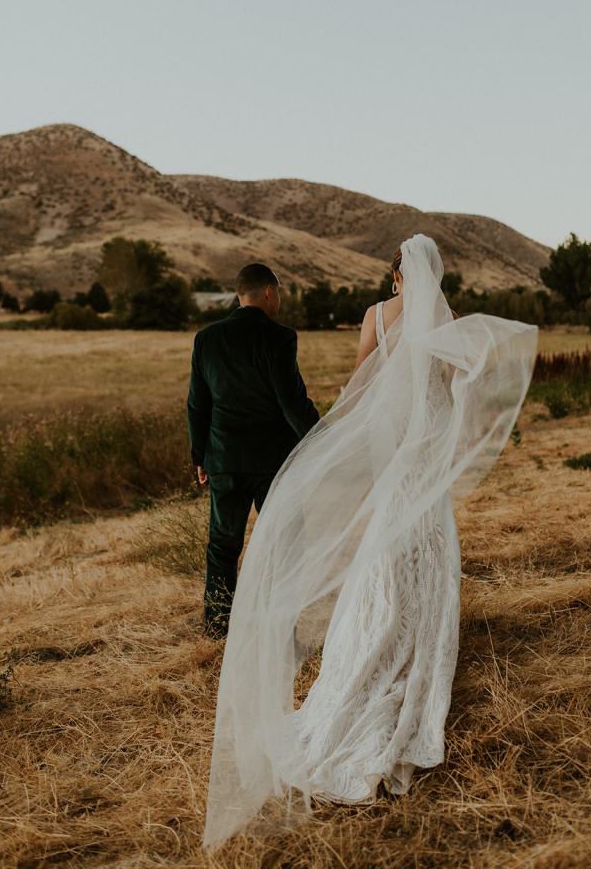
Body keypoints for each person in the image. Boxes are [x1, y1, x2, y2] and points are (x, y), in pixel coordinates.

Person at [202, 234, 538, 850]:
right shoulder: (446, 320)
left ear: (395, 275)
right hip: (424, 448)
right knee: (428, 541)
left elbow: (361, 383)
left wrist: (334, 437)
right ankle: (416, 637)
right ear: (434, 274)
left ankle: (372, 634)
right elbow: (461, 379)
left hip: (391, 446)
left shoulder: (376, 316)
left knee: (386, 541)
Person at [187, 262, 319, 638]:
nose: (279, 300)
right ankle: (279, 622)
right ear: (268, 293)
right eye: (279, 293)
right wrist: (323, 438)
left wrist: (200, 456)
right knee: (285, 542)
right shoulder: (279, 337)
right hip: (271, 462)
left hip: (224, 458)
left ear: (238, 295)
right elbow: (292, 403)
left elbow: (197, 403)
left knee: (222, 545)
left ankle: (217, 626)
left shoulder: (207, 338)